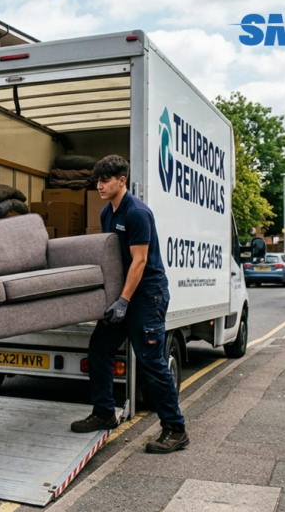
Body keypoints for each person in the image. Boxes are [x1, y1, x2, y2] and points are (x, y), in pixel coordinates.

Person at [70, 155, 189, 454]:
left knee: (151, 362)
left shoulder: (136, 213)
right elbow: (113, 258)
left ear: (122, 180)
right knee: (100, 347)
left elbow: (139, 261)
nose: (99, 185)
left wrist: (123, 301)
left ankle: (176, 429)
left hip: (147, 296)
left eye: (105, 180)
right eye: (97, 180)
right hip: (125, 293)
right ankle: (104, 412)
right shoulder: (106, 213)